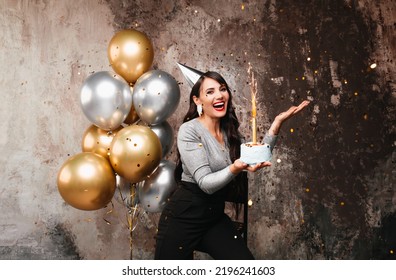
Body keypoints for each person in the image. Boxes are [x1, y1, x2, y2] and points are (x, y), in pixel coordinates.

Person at [154, 71, 310, 260]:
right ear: (198, 100)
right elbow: (205, 183)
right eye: (210, 92)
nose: (219, 95)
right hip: (183, 219)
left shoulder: (229, 132)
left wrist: (276, 125)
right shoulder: (190, 130)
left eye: (222, 89)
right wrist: (237, 167)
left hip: (213, 219)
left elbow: (256, 154)